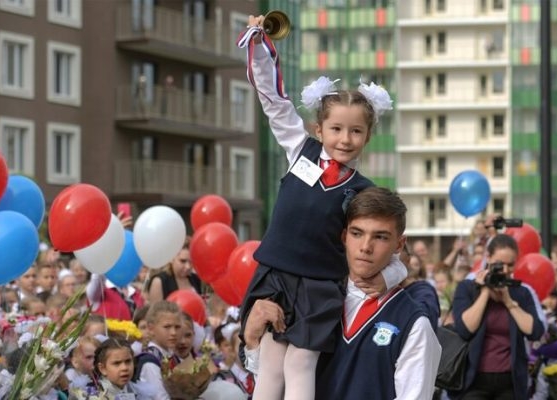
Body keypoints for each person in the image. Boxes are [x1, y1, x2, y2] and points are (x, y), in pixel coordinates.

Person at [236, 15, 407, 400]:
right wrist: (260, 47)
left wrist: (388, 278)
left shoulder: (363, 191)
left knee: (300, 363)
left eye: (356, 131)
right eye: (336, 129)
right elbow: (274, 102)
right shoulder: (301, 150)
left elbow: (385, 244)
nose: (345, 139)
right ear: (318, 130)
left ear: (368, 135)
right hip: (276, 274)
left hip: (319, 285)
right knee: (270, 358)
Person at [244, 187, 441, 399]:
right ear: (344, 236)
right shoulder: (307, 301)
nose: (366, 247)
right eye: (357, 233)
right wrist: (252, 342)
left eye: (381, 237)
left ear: (399, 244)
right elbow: (275, 385)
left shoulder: (413, 323)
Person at [449, 234, 545, 399]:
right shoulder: (467, 288)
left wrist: (508, 302)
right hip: (472, 381)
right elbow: (465, 330)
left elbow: (535, 332)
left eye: (511, 265)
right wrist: (485, 291)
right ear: (488, 258)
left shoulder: (521, 292)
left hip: (509, 383)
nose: (505, 271)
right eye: (500, 265)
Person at [70, 338, 153, 399]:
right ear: (103, 368)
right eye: (117, 363)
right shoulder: (88, 395)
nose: (124, 368)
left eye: (128, 361)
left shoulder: (141, 394)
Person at [145, 238, 201, 303]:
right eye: (183, 261)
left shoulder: (195, 279)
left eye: (191, 262)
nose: (188, 266)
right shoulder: (159, 282)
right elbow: (155, 311)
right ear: (171, 258)